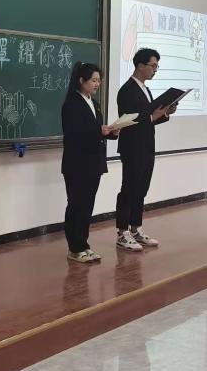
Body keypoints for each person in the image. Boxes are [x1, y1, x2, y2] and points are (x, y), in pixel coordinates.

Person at [115, 48, 177, 252]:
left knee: (141, 189)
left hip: (147, 146)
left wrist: (164, 113)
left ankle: (136, 228)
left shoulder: (145, 89)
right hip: (132, 147)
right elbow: (129, 120)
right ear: (140, 65)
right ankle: (122, 232)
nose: (155, 70)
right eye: (153, 66)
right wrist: (152, 116)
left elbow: (149, 118)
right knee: (129, 189)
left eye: (157, 66)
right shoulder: (127, 90)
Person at [61, 61, 117, 263]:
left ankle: (84, 245)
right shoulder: (71, 104)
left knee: (87, 206)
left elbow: (95, 131)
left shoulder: (94, 103)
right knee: (76, 205)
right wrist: (98, 131)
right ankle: (75, 248)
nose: (97, 84)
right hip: (77, 163)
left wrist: (111, 132)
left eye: (99, 81)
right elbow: (74, 134)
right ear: (81, 80)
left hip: (94, 162)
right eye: (93, 80)